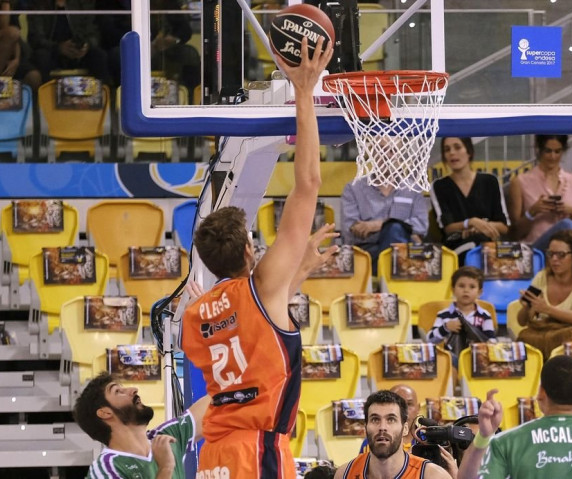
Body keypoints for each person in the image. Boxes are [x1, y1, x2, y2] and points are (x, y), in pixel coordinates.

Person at [179, 37, 333, 479]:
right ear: (250, 249)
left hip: (214, 457)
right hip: (257, 450)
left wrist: (299, 270)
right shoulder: (262, 283)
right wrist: (304, 92)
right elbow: (307, 185)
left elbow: (251, 331)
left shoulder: (195, 315)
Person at [74, 372, 211, 479]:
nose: (133, 389)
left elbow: (217, 401)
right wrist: (165, 467)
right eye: (118, 391)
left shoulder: (164, 437)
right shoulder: (105, 469)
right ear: (105, 413)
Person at [516, 229, 572, 359]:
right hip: (543, 341)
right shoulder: (542, 277)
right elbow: (521, 322)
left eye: (561, 255)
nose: (554, 259)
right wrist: (527, 306)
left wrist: (548, 309)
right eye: (551, 254)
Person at [335, 390, 452, 479]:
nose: (382, 427)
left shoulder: (432, 476)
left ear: (405, 429)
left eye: (391, 419)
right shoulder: (344, 474)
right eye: (375, 419)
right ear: (365, 428)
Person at [429, 137, 510, 259]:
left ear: (469, 151)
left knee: (483, 242)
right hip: (455, 246)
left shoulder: (490, 181)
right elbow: (448, 228)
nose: (452, 153)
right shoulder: (439, 186)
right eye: (447, 149)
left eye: (457, 147)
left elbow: (503, 227)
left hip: (488, 245)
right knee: (477, 245)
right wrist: (470, 222)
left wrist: (481, 227)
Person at [508, 135, 572, 251]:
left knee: (567, 226)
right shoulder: (520, 182)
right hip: (536, 250)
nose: (553, 156)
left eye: (557, 151)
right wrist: (532, 212)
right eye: (548, 151)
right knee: (566, 225)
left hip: (569, 252)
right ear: (539, 150)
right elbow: (514, 234)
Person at [97, 0, 200, 90]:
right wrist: (135, 43)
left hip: (162, 48)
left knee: (190, 54)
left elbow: (185, 29)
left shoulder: (167, 2)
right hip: (128, 47)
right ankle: (123, 99)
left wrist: (172, 39)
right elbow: (106, 30)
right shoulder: (112, 3)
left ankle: (190, 100)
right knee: (117, 55)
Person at [341, 175, 428, 273]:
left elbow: (421, 225)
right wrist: (407, 229)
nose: (387, 159)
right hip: (368, 251)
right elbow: (352, 230)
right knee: (395, 231)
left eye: (391, 157)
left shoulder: (413, 188)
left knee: (395, 229)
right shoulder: (354, 187)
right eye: (382, 157)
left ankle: (386, 282)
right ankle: (391, 282)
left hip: (406, 251)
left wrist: (377, 225)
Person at [27, 0, 111, 85]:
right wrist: (59, 48)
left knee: (99, 55)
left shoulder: (82, 3)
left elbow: (93, 33)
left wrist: (86, 45)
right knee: (41, 56)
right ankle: (45, 95)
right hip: (52, 53)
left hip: (78, 53)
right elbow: (35, 39)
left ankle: (103, 95)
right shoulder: (39, 4)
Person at [427, 266, 496, 363]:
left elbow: (492, 341)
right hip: (452, 360)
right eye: (461, 286)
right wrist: (445, 327)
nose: (466, 290)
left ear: (479, 292)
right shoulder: (443, 314)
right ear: (453, 290)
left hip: (477, 359)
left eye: (472, 287)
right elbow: (429, 339)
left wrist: (487, 344)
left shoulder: (485, 316)